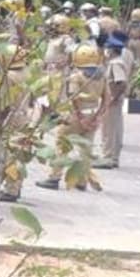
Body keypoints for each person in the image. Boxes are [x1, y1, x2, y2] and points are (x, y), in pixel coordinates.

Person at [37, 44, 108, 191]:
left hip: (76, 116)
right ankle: (81, 181)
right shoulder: (101, 77)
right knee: (85, 149)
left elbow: (73, 97)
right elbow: (107, 99)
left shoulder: (77, 77)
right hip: (93, 114)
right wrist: (98, 116)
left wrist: (80, 117)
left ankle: (54, 177)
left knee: (61, 144)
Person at [95, 35, 129, 169]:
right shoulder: (117, 62)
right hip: (114, 100)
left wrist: (113, 97)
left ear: (112, 50)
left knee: (109, 129)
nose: (105, 51)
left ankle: (107, 157)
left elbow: (121, 82)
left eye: (107, 49)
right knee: (115, 127)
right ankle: (113, 157)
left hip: (112, 100)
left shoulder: (115, 64)